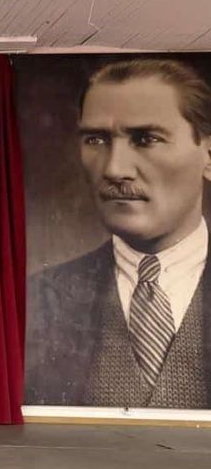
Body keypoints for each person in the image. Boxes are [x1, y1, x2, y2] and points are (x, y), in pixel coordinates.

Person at [26, 58, 211, 408]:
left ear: (209, 154)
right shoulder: (38, 299)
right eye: (96, 139)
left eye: (146, 139)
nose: (114, 169)